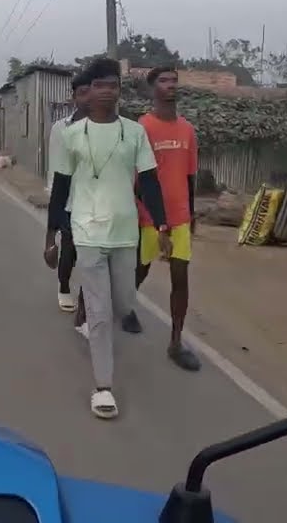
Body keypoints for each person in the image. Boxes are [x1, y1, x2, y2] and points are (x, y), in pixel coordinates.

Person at [44, 57, 170, 419]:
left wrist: (161, 225)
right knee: (100, 311)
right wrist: (51, 234)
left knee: (124, 302)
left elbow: (148, 181)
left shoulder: (134, 133)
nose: (107, 91)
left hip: (124, 231)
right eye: (100, 85)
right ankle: (103, 387)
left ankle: (100, 322)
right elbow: (61, 187)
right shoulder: (70, 135)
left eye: (113, 85)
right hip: (85, 230)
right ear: (90, 90)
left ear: (119, 91)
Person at [124, 64, 202, 371]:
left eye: (174, 81)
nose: (171, 85)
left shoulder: (187, 130)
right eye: (164, 81)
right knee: (139, 272)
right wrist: (150, 219)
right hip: (148, 218)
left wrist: (191, 213)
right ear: (152, 88)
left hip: (180, 217)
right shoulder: (142, 127)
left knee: (180, 278)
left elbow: (190, 175)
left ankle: (175, 342)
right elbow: (137, 180)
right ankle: (126, 306)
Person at [46, 73, 92, 313]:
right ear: (73, 97)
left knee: (95, 255)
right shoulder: (61, 129)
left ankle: (89, 300)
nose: (87, 98)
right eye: (82, 93)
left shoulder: (109, 127)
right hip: (70, 201)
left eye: (90, 92)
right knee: (70, 249)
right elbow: (55, 168)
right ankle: (64, 286)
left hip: (99, 202)